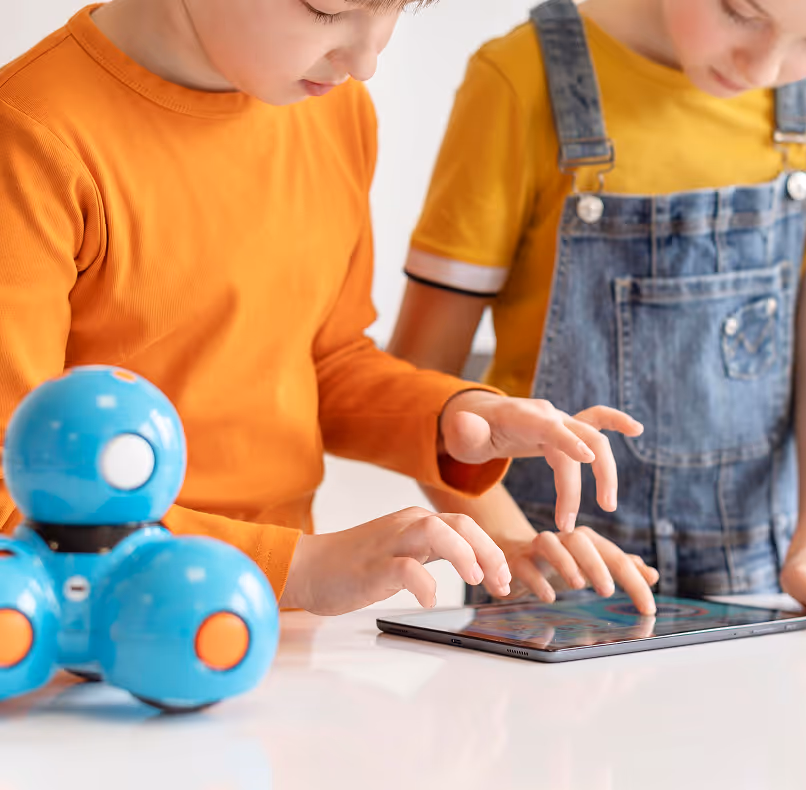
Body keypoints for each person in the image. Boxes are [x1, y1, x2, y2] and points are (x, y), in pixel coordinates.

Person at [0, 0, 652, 617]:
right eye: (327, 9)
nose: (366, 60)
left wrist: (453, 418)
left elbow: (325, 361)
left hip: (278, 630)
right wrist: (302, 567)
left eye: (395, 9)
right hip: (85, 641)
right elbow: (12, 494)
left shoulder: (336, 113)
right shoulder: (29, 136)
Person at [390, 0, 806, 627]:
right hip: (548, 586)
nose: (766, 64)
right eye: (741, 12)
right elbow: (420, 378)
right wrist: (515, 546)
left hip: (759, 578)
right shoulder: (520, 78)